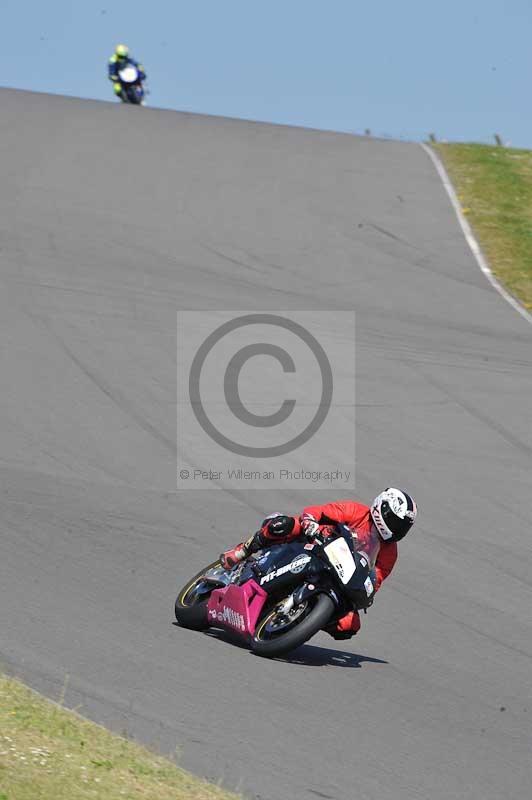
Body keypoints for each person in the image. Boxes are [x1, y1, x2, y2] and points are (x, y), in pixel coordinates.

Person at [220, 488, 417, 640]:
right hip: (314, 543)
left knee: (349, 624)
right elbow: (319, 511)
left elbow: (376, 579)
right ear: (381, 508)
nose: (398, 530)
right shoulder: (356, 511)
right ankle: (242, 552)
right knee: (283, 525)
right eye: (396, 522)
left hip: (341, 574)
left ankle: (302, 619)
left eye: (403, 527)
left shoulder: (390, 552)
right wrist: (311, 522)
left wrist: (369, 589)